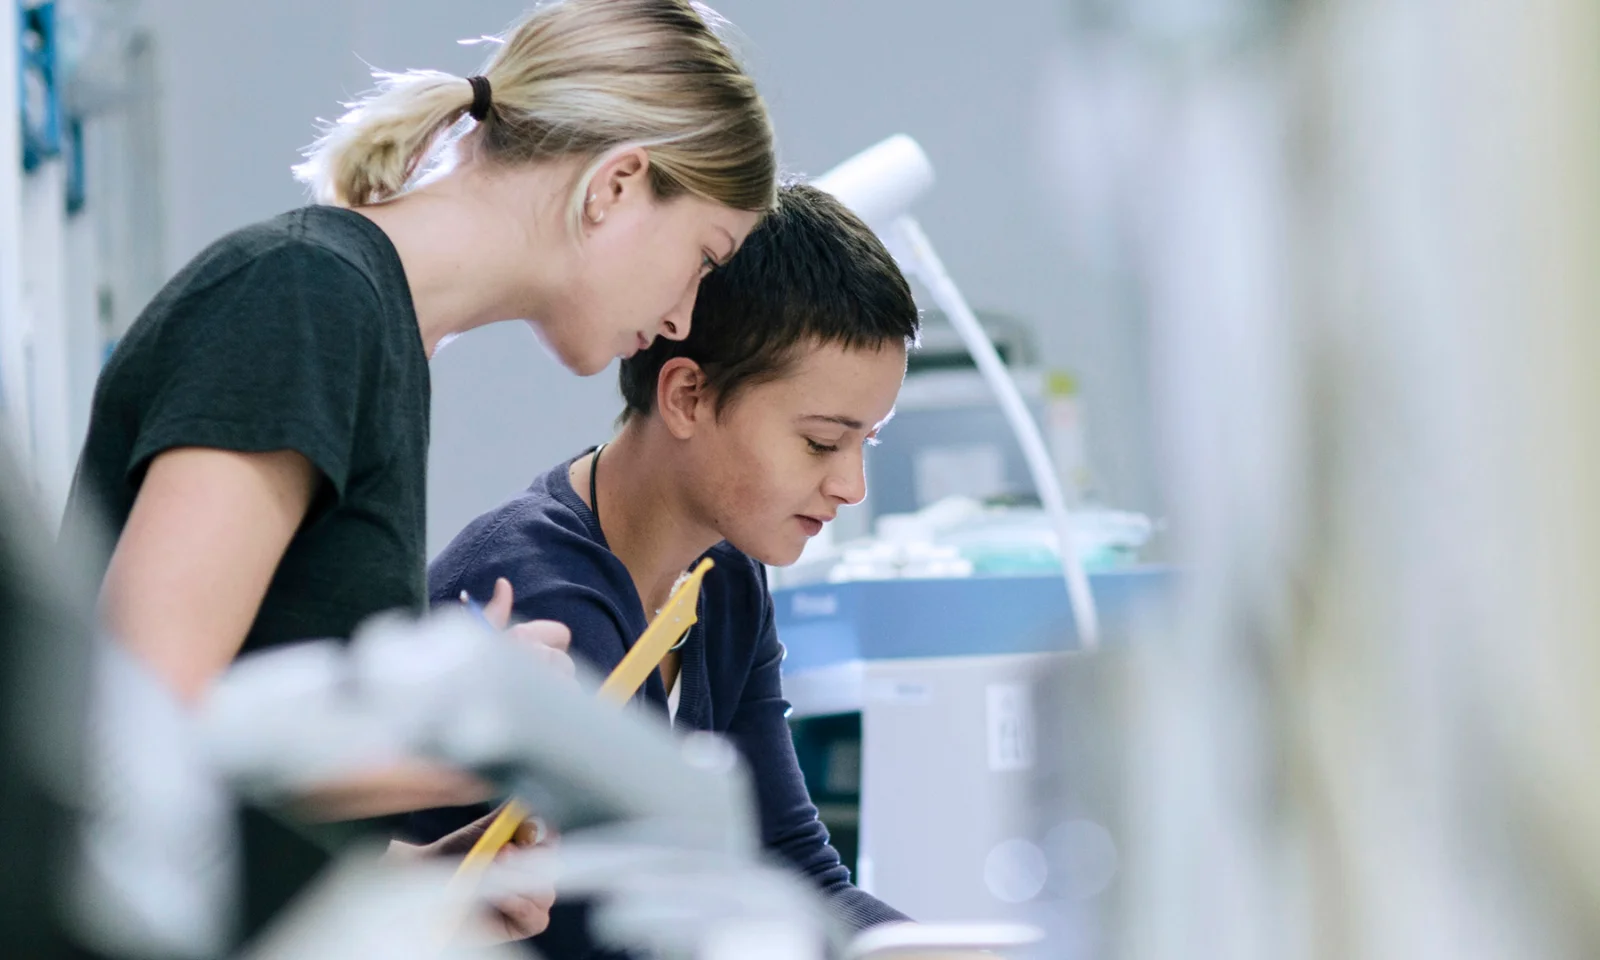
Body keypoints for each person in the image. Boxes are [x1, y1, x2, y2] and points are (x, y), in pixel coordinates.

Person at [59, 0, 776, 943]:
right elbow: (130, 740)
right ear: (616, 186)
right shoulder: (306, 301)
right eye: (701, 259)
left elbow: (237, 791)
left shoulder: (385, 337)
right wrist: (463, 731)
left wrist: (430, 876)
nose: (684, 317)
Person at [414, 183, 920, 954]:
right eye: (822, 441)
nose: (851, 486)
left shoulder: (722, 578)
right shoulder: (543, 599)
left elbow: (786, 865)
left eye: (866, 444)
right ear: (686, 395)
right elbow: (618, 939)